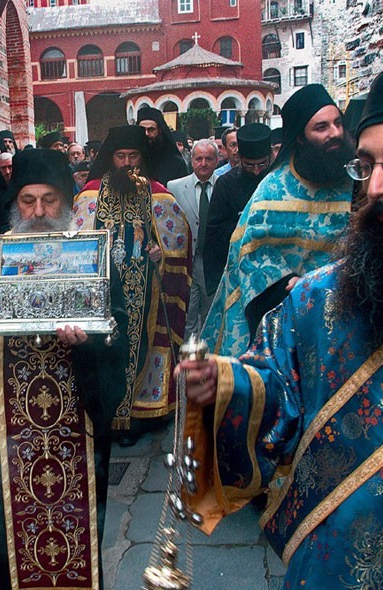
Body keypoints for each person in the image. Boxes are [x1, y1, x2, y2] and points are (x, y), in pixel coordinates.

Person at [179, 47, 383, 589]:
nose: (376, 187)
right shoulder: (320, 296)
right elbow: (278, 386)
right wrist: (226, 387)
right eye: (367, 165)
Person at [0, 149, 121, 590]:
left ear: (66, 202)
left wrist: (90, 343)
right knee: (16, 537)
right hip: (9, 428)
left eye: (50, 200)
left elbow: (118, 328)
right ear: (16, 203)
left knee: (79, 530)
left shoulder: (92, 252)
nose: (39, 211)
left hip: (78, 422)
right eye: (28, 201)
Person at [202, 84, 353, 356]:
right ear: (301, 137)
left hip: (347, 311)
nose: (335, 133)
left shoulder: (357, 181)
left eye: (338, 123)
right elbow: (252, 258)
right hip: (287, 319)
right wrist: (296, 288)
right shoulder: (272, 190)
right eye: (321, 127)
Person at [74, 125, 191, 446]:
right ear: (110, 158)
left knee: (142, 347)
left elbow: (178, 242)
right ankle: (105, 414)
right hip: (101, 291)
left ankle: (137, 417)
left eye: (133, 156)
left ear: (143, 157)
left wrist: (160, 253)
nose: (127, 163)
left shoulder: (158, 193)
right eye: (120, 156)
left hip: (146, 292)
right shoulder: (90, 194)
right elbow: (76, 242)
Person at [202, 123, 273, 296]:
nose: (256, 172)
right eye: (249, 165)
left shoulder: (277, 180)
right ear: (240, 159)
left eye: (262, 164)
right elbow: (214, 232)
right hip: (237, 274)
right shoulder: (226, 184)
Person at [166, 138, 219, 338]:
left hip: (212, 263)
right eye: (198, 159)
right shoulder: (175, 187)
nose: (203, 164)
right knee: (186, 315)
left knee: (210, 316)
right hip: (186, 261)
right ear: (192, 160)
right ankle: (185, 354)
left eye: (208, 159)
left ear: (216, 160)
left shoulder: (224, 185)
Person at [136, 106, 189, 183]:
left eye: (151, 129)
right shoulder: (131, 161)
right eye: (142, 129)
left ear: (159, 130)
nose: (146, 134)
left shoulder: (176, 163)